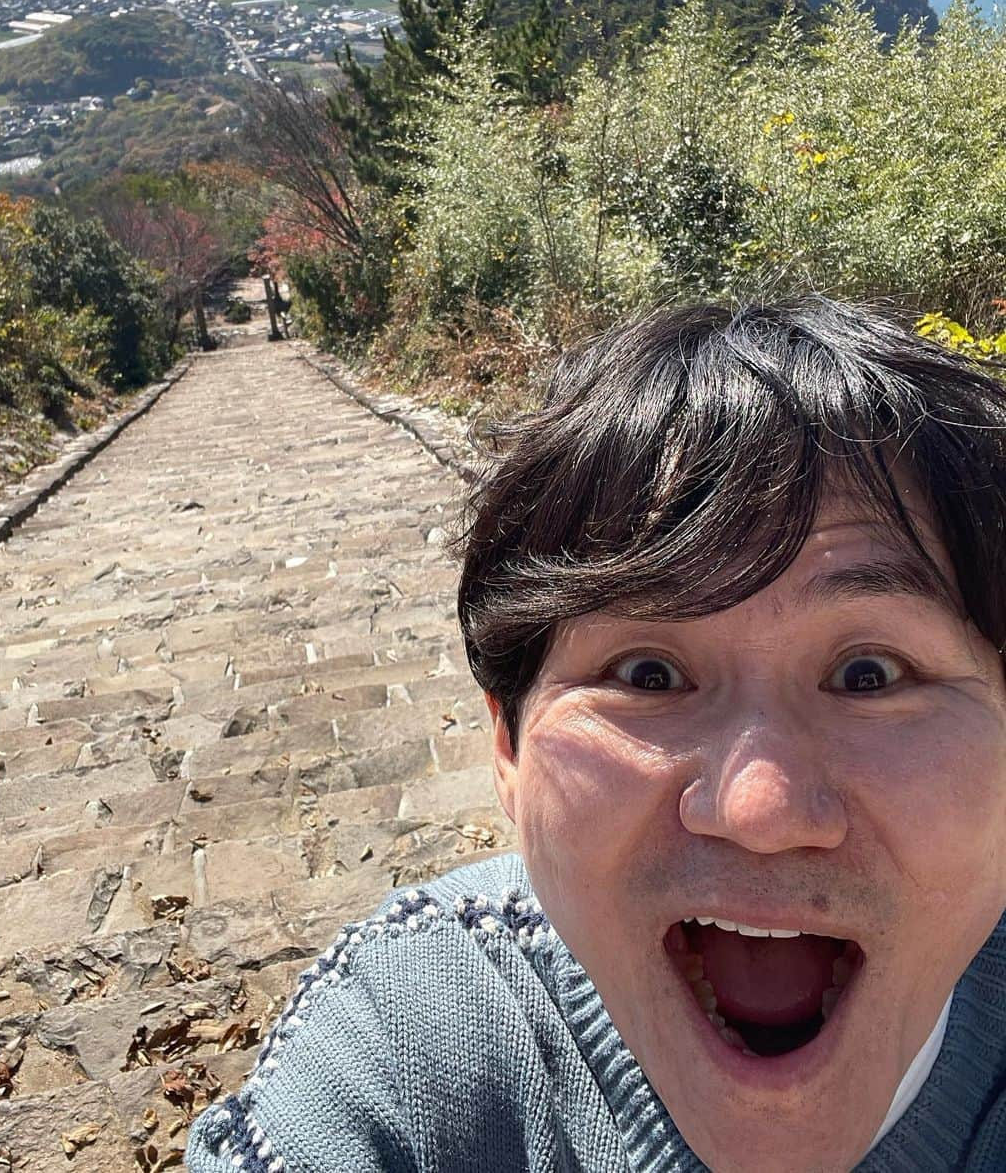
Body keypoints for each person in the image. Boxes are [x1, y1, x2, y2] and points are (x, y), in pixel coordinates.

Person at [187, 297, 1006, 1173]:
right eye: (647, 675)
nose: (760, 809)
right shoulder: (401, 1041)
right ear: (508, 743)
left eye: (868, 676)